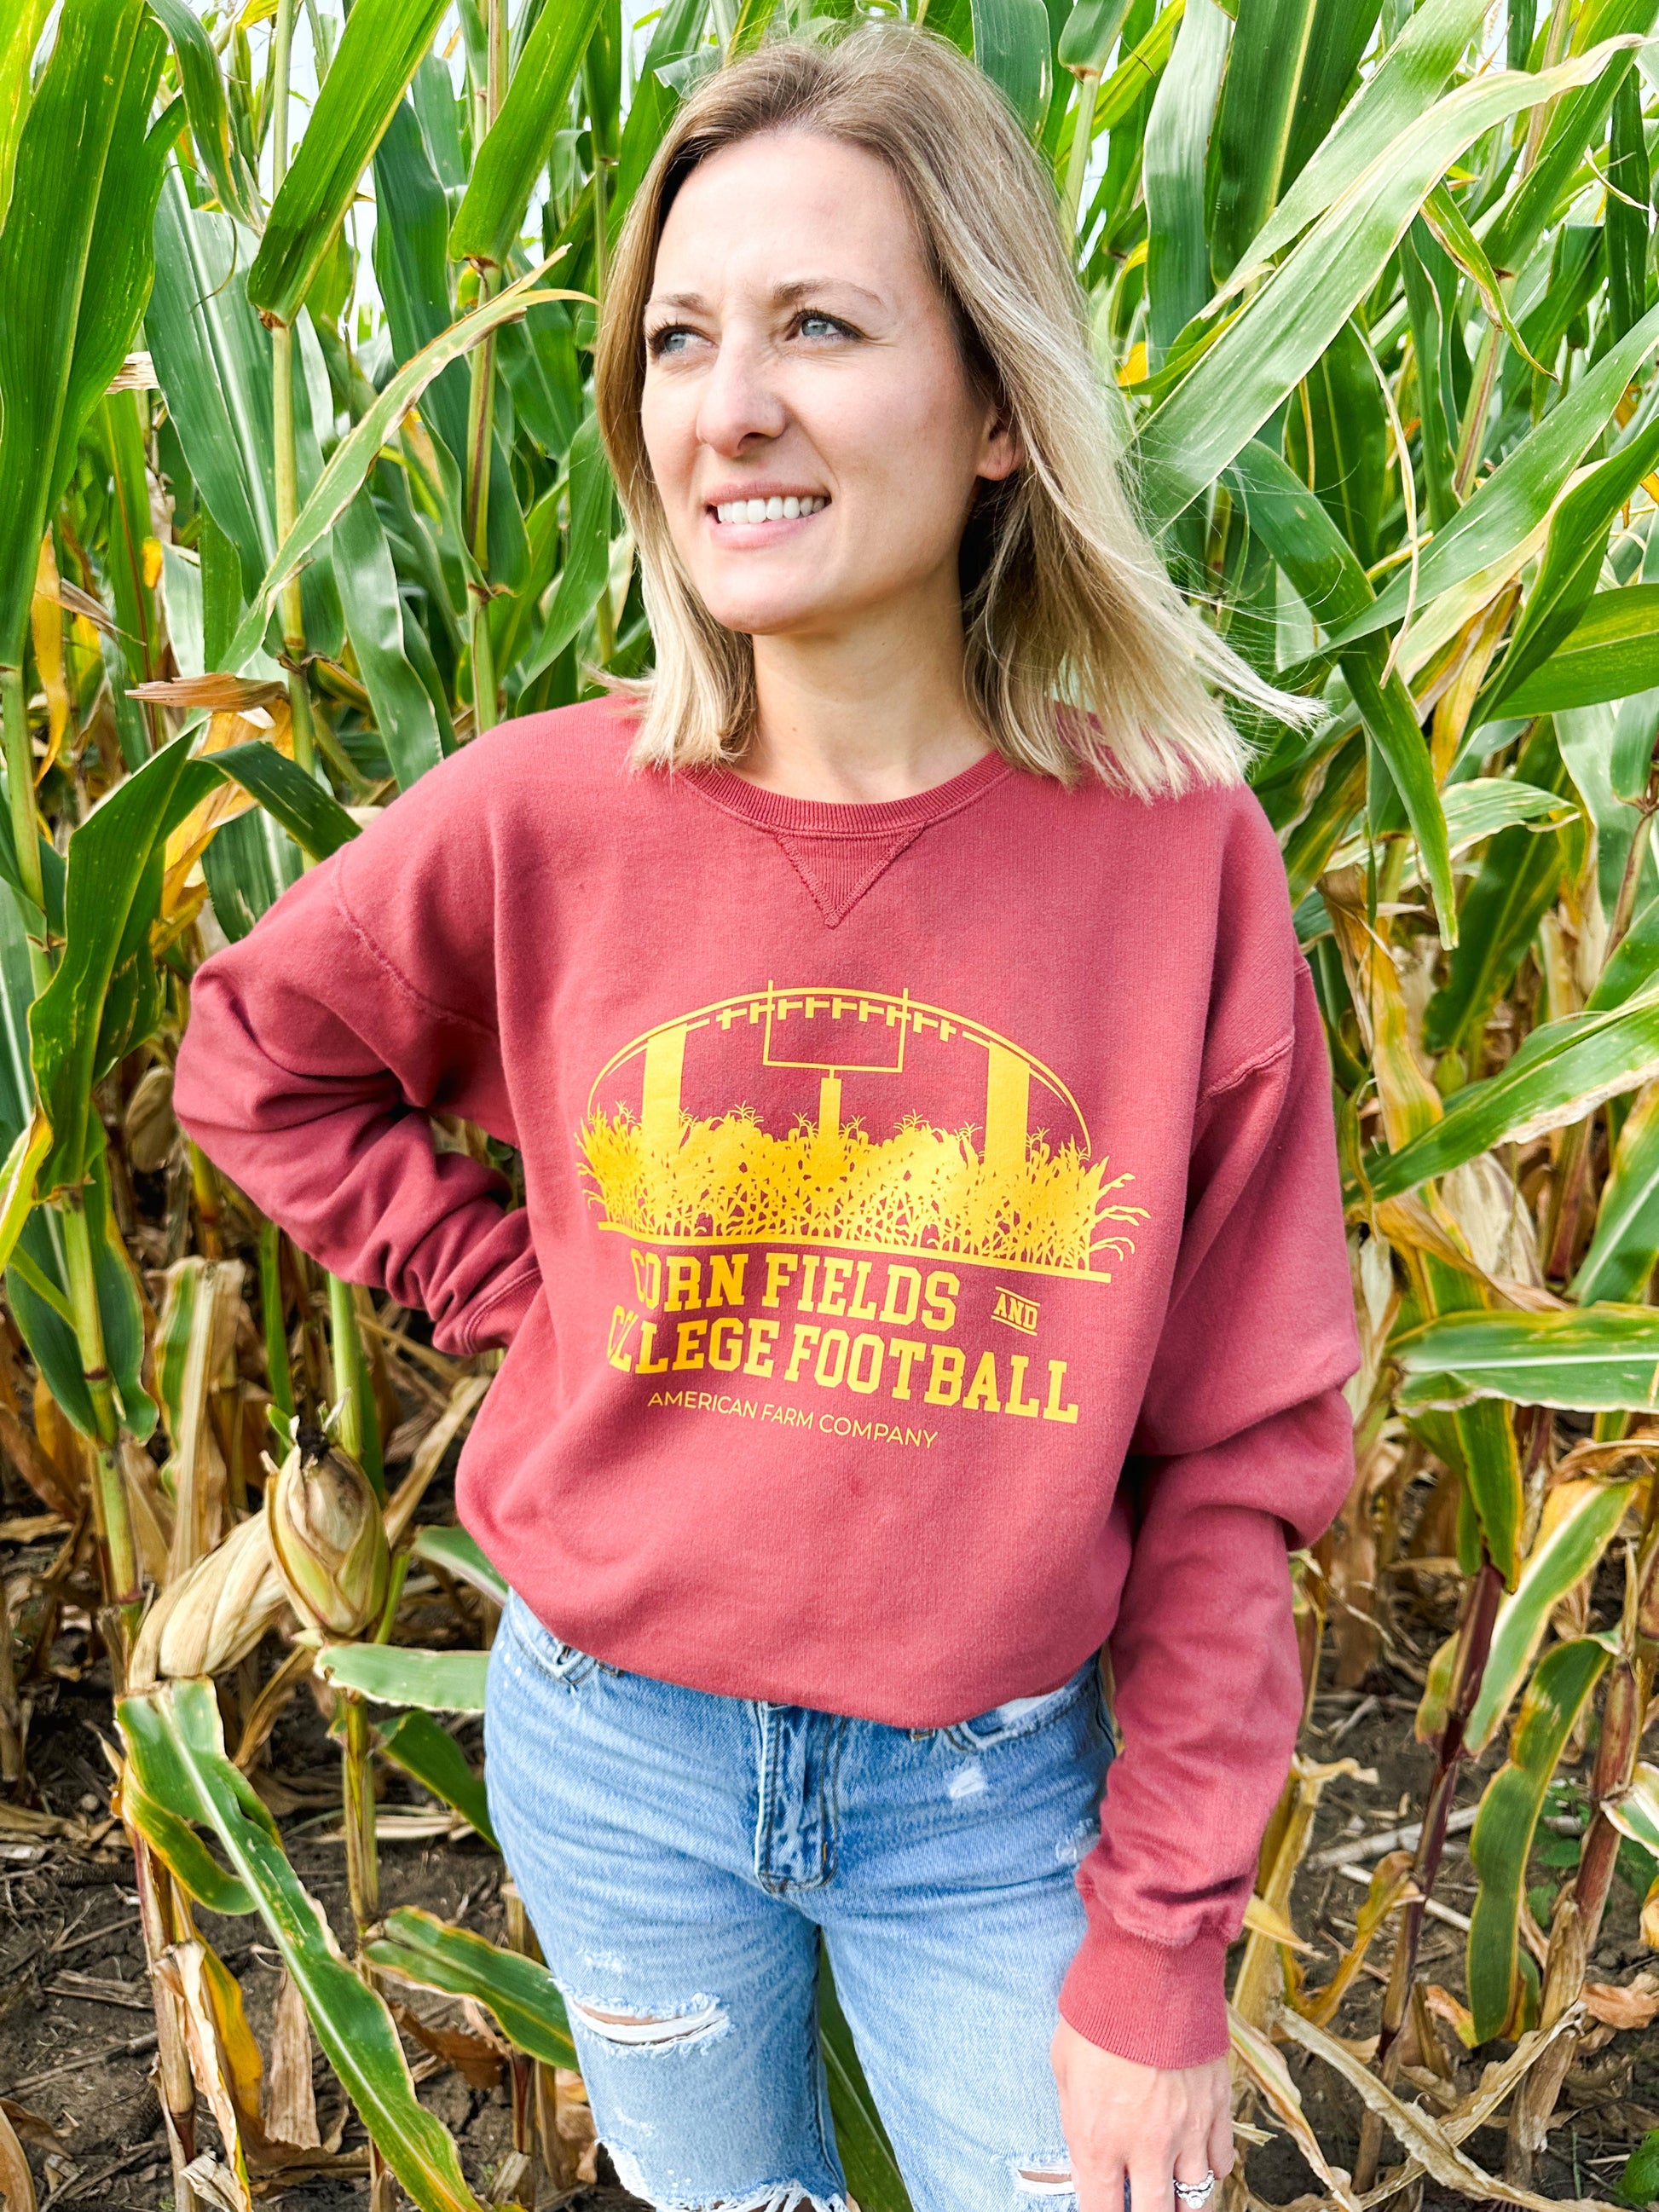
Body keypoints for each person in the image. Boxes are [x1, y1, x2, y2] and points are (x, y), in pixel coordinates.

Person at [173, 26, 1361, 2212]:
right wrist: (518, 1285)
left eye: (821, 325)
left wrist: (1166, 1947)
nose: (728, 406)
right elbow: (256, 1053)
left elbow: (1240, 1449)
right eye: (683, 338)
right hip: (612, 1756)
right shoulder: (541, 814)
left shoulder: (1170, 860)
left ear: (998, 406)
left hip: (994, 1804)